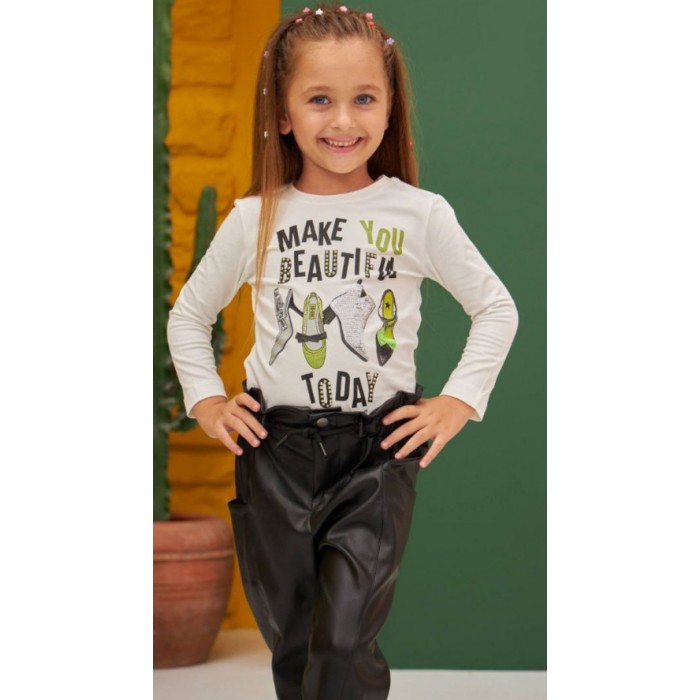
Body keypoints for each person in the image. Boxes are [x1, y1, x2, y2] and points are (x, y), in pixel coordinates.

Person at [167, 4, 518, 698]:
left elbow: (495, 307)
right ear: (284, 113)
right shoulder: (255, 218)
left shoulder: (418, 213)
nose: (344, 120)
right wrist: (207, 401)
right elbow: (190, 315)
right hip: (275, 452)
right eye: (320, 99)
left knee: (343, 638)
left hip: (375, 455)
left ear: (389, 109)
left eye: (364, 99)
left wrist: (456, 401)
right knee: (296, 643)